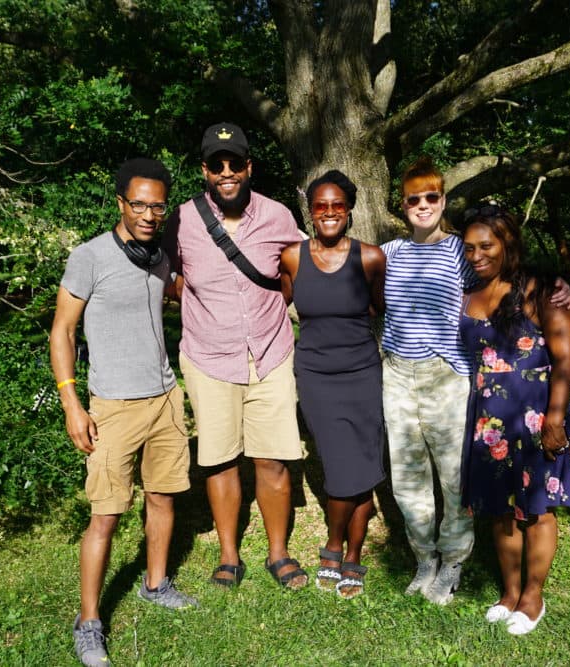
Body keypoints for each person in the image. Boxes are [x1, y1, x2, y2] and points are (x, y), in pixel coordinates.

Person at [380, 157, 570, 605]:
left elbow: (509, 272)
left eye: (432, 196)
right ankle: (423, 558)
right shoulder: (389, 254)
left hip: (447, 375)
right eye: (414, 198)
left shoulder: (462, 252)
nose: (423, 205)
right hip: (396, 374)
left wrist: (556, 281)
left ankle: (453, 563)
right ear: (403, 204)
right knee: (407, 478)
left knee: (453, 479)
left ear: (442, 200)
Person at [50, 158, 196, 667]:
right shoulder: (88, 257)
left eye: (158, 205)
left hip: (164, 399)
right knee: (106, 516)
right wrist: (72, 403)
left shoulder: (159, 257)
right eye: (139, 204)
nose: (149, 214)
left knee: (163, 497)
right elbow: (62, 332)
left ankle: (155, 584)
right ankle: (88, 621)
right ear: (120, 203)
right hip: (111, 406)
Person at [162, 123, 308, 590]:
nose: (227, 173)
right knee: (220, 460)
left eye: (235, 164)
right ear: (205, 170)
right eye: (216, 165)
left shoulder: (278, 215)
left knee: (274, 460)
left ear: (248, 167)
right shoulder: (181, 220)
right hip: (208, 357)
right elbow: (165, 276)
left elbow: (297, 269)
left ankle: (279, 553)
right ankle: (228, 555)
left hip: (270, 352)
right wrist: (192, 299)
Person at [458, 203, 570, 635]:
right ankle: (510, 591)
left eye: (486, 246)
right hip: (489, 419)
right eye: (469, 247)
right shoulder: (469, 292)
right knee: (500, 511)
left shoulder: (543, 288)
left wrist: (555, 417)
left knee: (537, 511)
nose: (477, 255)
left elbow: (566, 357)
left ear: (508, 242)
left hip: (535, 414)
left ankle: (533, 595)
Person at [279, 170, 386, 598]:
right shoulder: (292, 257)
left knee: (355, 465)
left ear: (349, 211)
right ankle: (339, 543)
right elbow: (280, 300)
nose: (328, 213)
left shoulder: (372, 257)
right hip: (316, 376)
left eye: (336, 206)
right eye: (320, 206)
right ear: (309, 212)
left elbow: (381, 306)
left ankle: (344, 549)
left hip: (362, 373)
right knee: (341, 465)